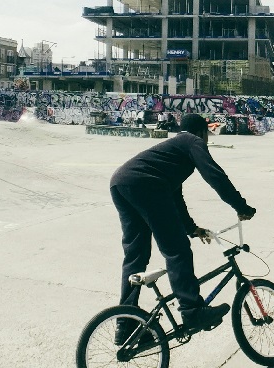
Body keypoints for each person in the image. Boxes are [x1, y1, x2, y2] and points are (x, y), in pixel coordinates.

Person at [109, 113, 256, 344]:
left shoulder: (171, 150)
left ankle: (125, 323)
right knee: (177, 250)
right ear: (202, 132)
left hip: (120, 182)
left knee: (135, 257)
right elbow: (214, 175)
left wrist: (191, 228)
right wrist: (241, 205)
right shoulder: (193, 142)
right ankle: (192, 311)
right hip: (146, 184)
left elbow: (174, 195)